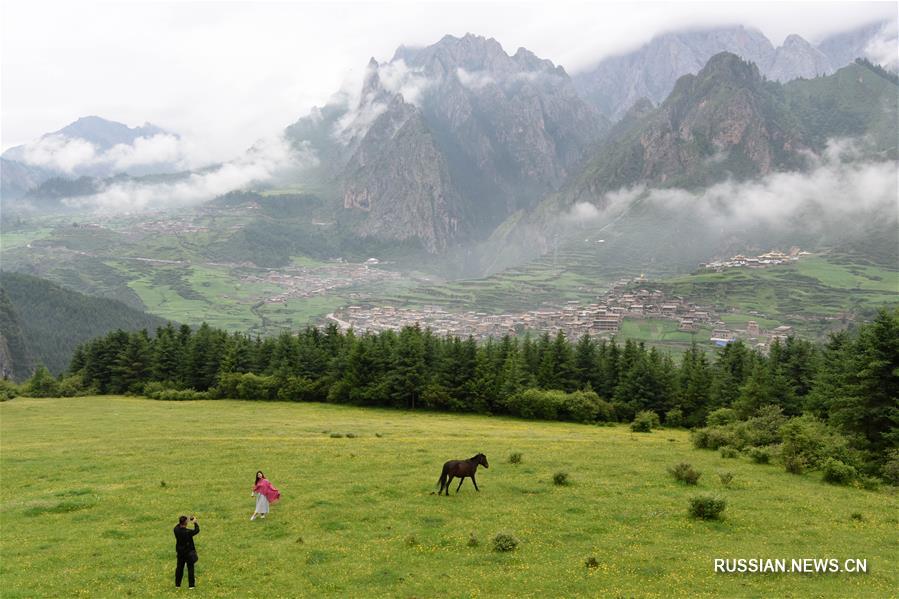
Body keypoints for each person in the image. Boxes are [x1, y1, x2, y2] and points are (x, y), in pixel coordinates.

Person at [173, 515, 199, 588]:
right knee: (190, 569)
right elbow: (196, 530)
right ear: (185, 523)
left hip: (180, 553)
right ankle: (191, 586)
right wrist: (195, 522)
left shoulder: (176, 529)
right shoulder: (188, 532)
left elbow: (178, 525)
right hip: (188, 553)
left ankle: (177, 585)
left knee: (179, 569)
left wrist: (183, 519)